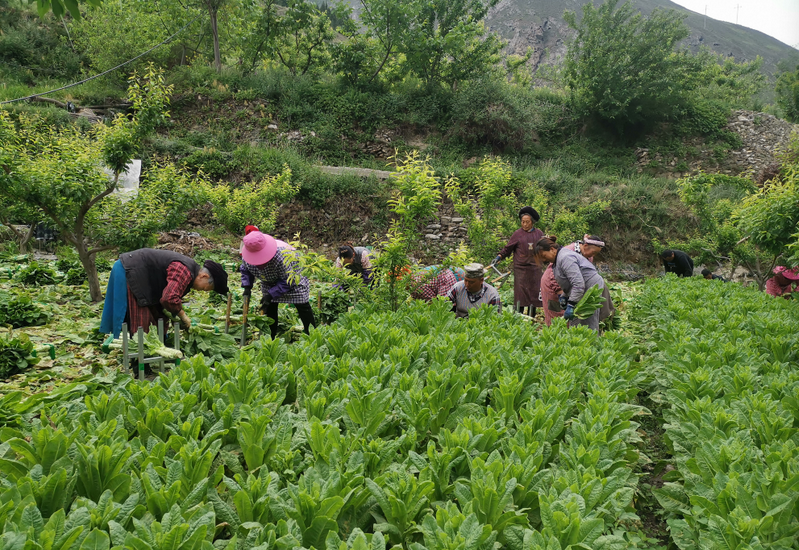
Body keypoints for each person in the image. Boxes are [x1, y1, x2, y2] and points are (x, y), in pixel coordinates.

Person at [100, 249, 228, 338]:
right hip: (130, 271)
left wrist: (176, 316)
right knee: (142, 322)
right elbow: (169, 298)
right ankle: (139, 364)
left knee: (158, 317)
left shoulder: (190, 271)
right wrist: (184, 316)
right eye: (205, 288)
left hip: (142, 277)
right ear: (204, 276)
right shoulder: (185, 270)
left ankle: (150, 353)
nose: (202, 291)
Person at [240, 231, 316, 338]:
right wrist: (247, 286)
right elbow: (245, 270)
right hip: (268, 279)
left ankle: (312, 334)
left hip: (292, 277)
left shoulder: (282, 257)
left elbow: (287, 281)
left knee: (302, 303)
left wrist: (271, 294)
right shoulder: (246, 258)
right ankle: (271, 336)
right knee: (269, 306)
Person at [533, 236, 607, 331]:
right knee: (576, 321)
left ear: (552, 249)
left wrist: (571, 305)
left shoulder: (565, 257)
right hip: (580, 288)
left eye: (544, 256)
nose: (543, 260)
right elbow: (569, 281)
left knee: (586, 321)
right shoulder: (557, 260)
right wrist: (564, 296)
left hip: (590, 288)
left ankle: (590, 344)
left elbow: (578, 283)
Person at [492, 206, 544, 316]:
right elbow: (508, 248)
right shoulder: (518, 234)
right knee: (520, 296)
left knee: (533, 295)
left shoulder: (539, 234)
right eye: (523, 222)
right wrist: (499, 257)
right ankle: (517, 317)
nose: (524, 224)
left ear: (532, 222)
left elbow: (545, 249)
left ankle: (532, 318)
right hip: (521, 269)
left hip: (535, 269)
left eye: (527, 222)